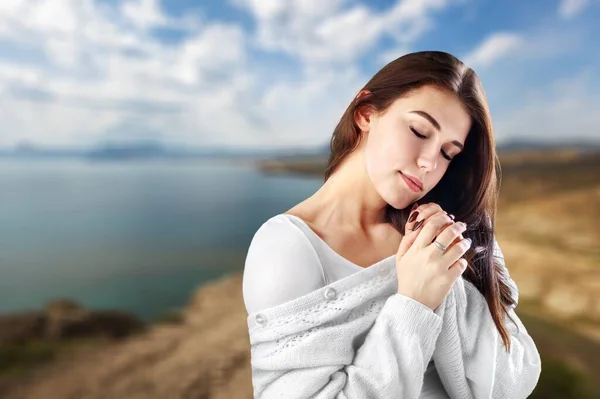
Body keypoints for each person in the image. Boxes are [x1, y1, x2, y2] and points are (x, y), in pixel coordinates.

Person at [242, 51, 541, 398]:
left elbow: (512, 380)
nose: (429, 162)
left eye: (448, 153)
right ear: (366, 113)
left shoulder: (449, 230)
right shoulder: (289, 248)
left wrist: (448, 283)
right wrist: (415, 304)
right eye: (418, 130)